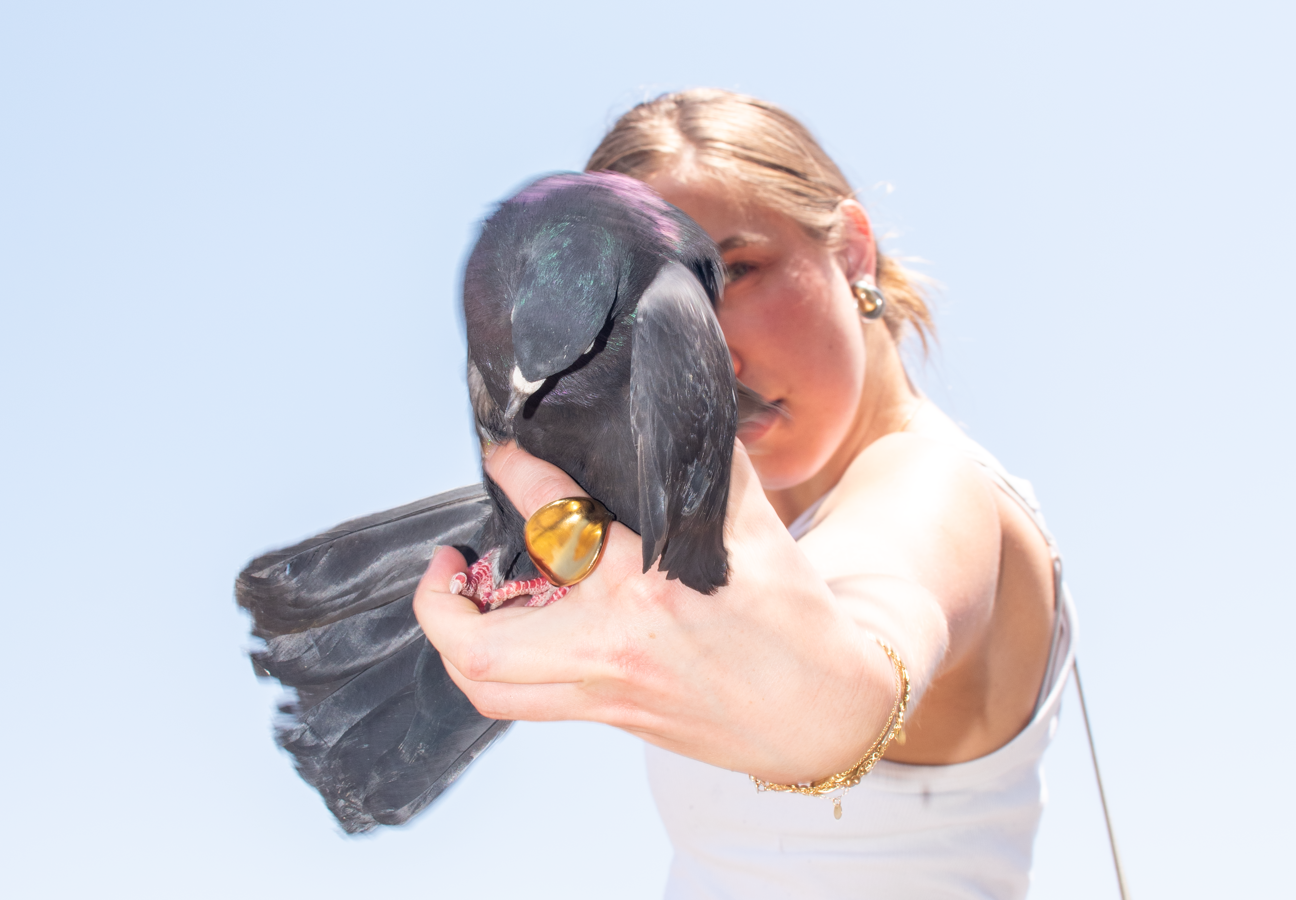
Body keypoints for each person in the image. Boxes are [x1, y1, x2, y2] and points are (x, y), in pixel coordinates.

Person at [414, 89, 1076, 900]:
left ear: (852, 253)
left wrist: (825, 702)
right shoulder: (742, 545)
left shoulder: (935, 483)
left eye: (735, 273)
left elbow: (859, 655)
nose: (706, 348)